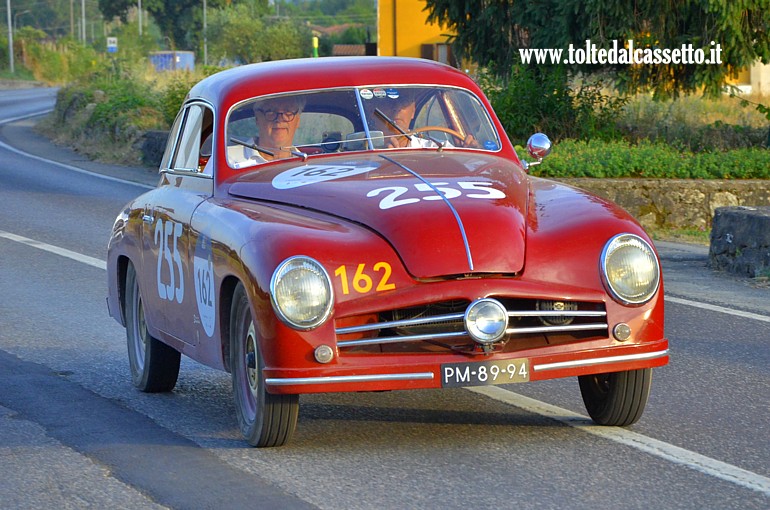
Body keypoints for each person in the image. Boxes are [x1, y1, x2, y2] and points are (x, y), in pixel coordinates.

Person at [250, 95, 305, 161]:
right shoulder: (234, 161)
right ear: (257, 119)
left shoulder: (304, 165)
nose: (280, 119)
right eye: (271, 111)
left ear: (298, 121)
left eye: (288, 112)